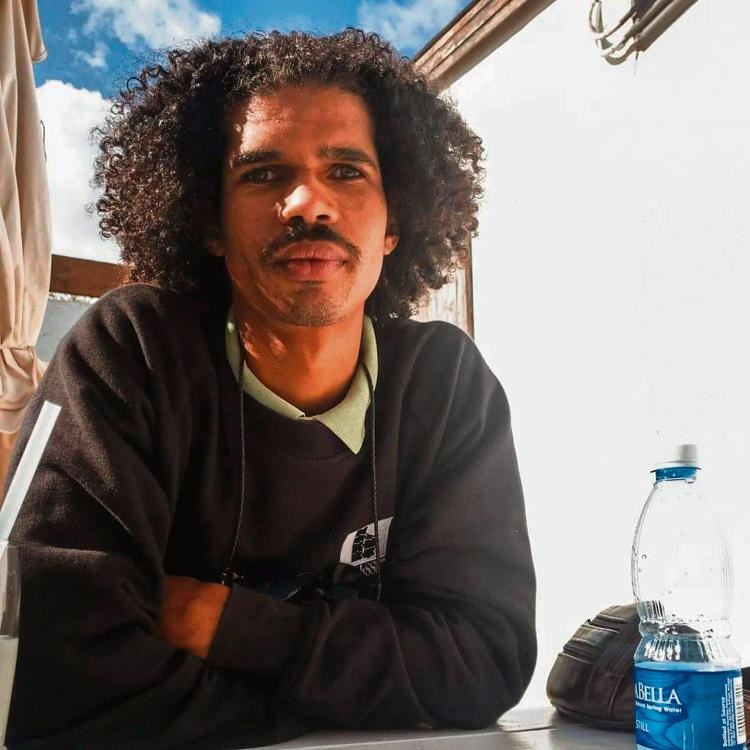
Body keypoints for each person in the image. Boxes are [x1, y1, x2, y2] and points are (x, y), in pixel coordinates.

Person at [4, 30, 536, 750]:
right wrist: (346, 696)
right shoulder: (131, 354)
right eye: (262, 174)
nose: (308, 202)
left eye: (346, 170)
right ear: (210, 222)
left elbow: (483, 661)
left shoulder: (444, 386)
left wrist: (224, 624)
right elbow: (58, 672)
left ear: (395, 223)